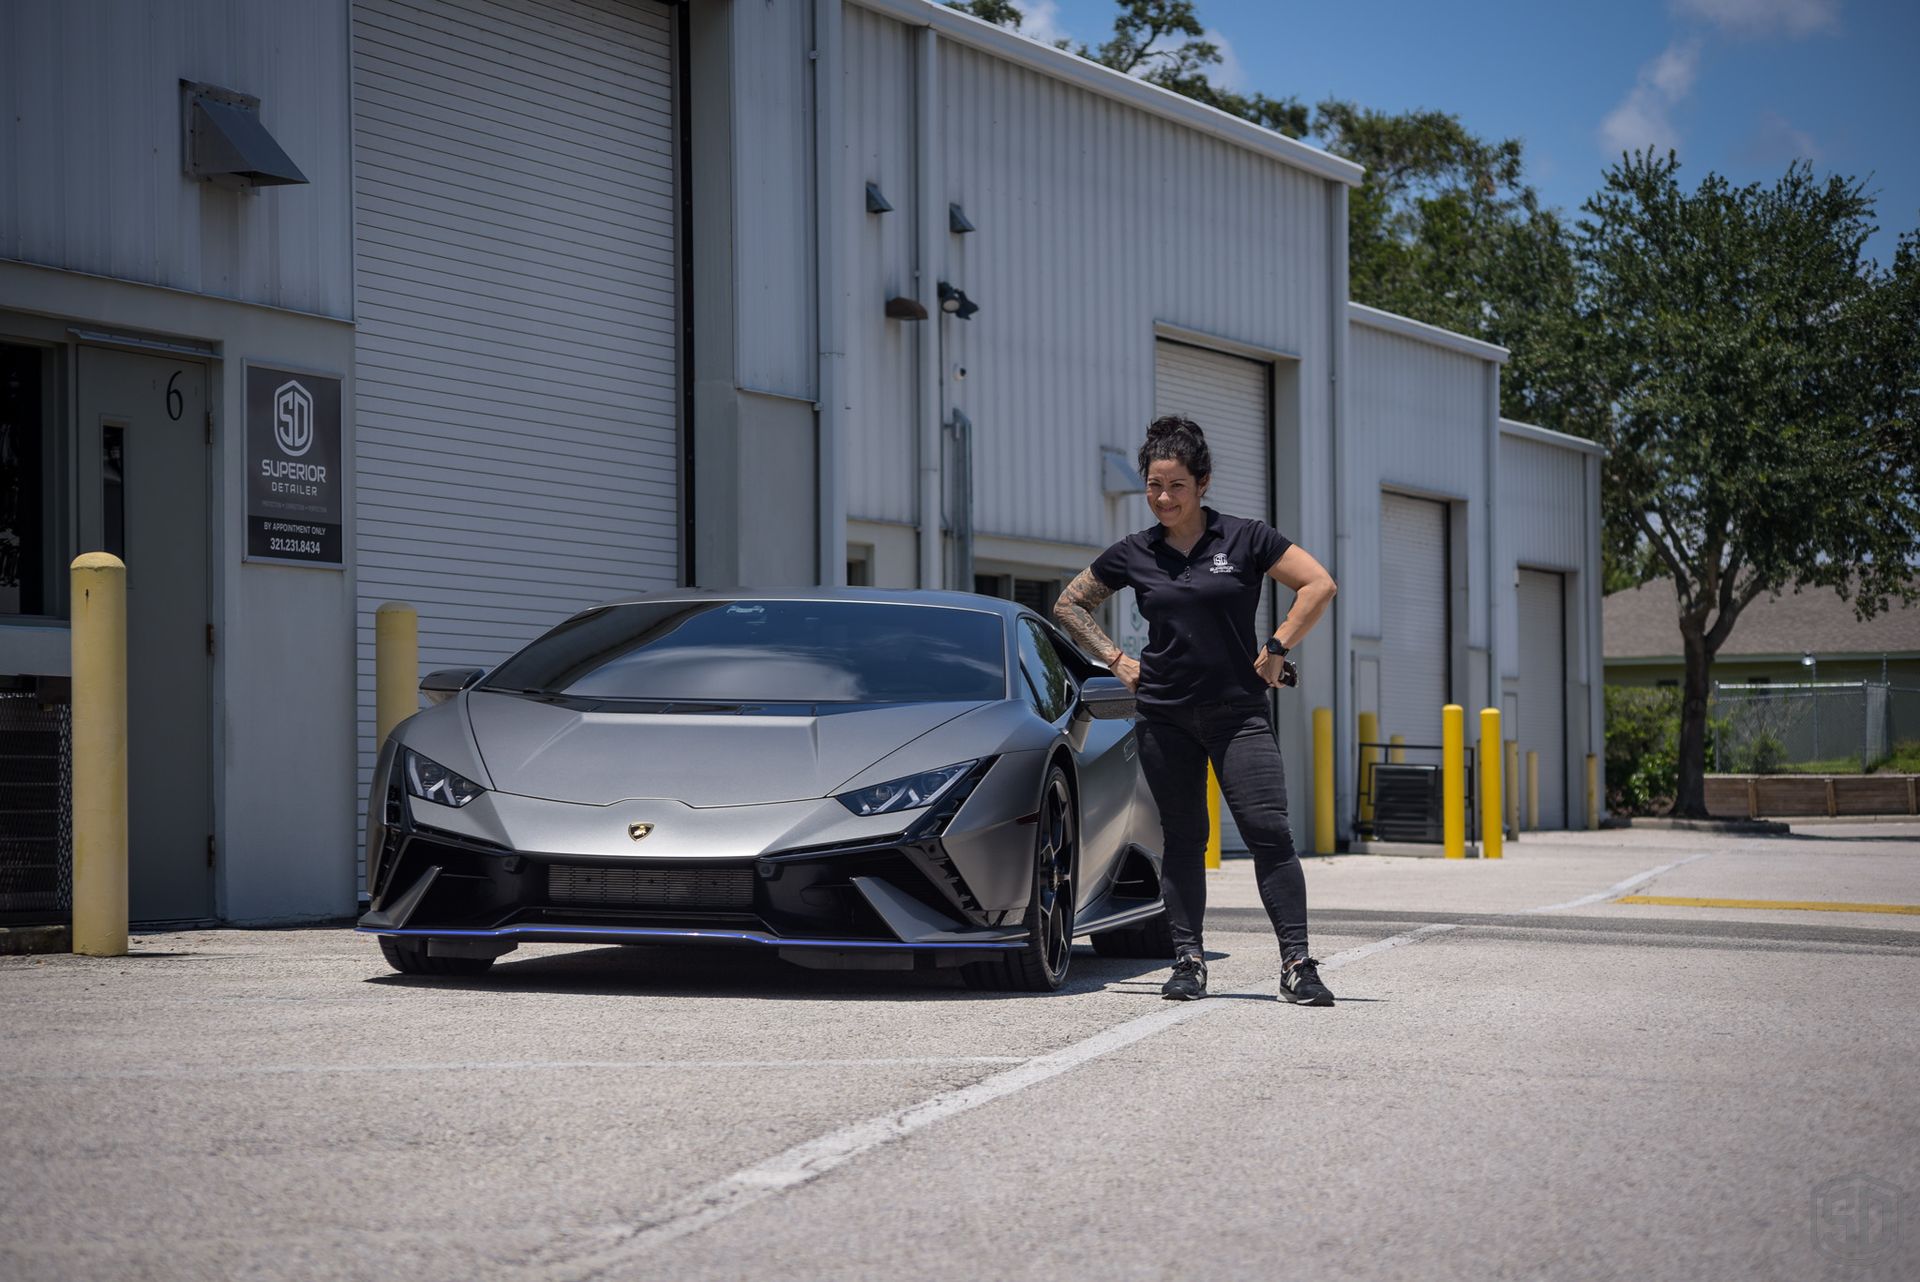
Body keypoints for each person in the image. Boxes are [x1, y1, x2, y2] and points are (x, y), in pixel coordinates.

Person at [1054, 415, 1338, 1005]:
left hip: (1239, 714)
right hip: (1165, 716)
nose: (1163, 498)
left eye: (1176, 486)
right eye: (1154, 486)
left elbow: (1318, 585)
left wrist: (1277, 646)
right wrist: (1114, 660)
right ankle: (1187, 961)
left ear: (1202, 483)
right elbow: (1069, 603)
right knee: (1183, 837)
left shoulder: (1246, 539)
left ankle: (1298, 964)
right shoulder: (1136, 552)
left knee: (1268, 832)